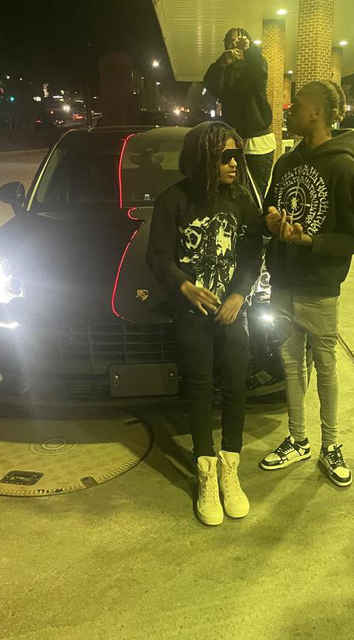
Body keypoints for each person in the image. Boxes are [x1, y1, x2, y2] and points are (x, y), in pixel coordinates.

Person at [147, 121, 263, 526]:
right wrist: (184, 287)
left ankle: (230, 469)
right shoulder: (173, 200)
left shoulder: (241, 199)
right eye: (225, 156)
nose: (234, 164)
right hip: (192, 313)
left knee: (235, 385)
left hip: (232, 311)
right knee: (199, 389)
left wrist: (239, 294)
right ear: (203, 158)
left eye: (237, 156)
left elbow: (252, 253)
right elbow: (158, 255)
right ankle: (206, 473)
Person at [258, 80, 354, 487]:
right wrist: (271, 220)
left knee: (325, 368)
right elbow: (269, 208)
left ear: (317, 112)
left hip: (319, 287)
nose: (290, 109)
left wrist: (309, 241)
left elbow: (352, 238)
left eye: (298, 104)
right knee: (290, 365)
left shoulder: (345, 167)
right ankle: (298, 439)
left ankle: (331, 444)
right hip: (283, 282)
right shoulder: (285, 162)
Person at [203, 27, 275, 204]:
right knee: (232, 192)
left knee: (256, 195)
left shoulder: (255, 65)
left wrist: (250, 50)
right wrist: (221, 63)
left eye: (239, 40)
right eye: (230, 41)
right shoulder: (224, 70)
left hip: (258, 142)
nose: (235, 44)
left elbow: (259, 74)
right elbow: (211, 85)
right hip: (233, 140)